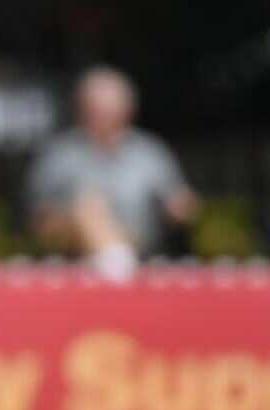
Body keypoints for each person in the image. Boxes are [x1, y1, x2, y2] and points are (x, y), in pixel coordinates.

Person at [26, 66, 197, 280]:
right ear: (82, 109)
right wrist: (80, 222)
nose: (104, 117)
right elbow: (39, 220)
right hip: (74, 256)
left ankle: (115, 258)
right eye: (97, 110)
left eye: (110, 110)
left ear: (127, 110)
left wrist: (180, 206)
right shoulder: (59, 155)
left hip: (141, 250)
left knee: (102, 220)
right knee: (88, 207)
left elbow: (179, 204)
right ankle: (115, 258)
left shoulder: (150, 151)